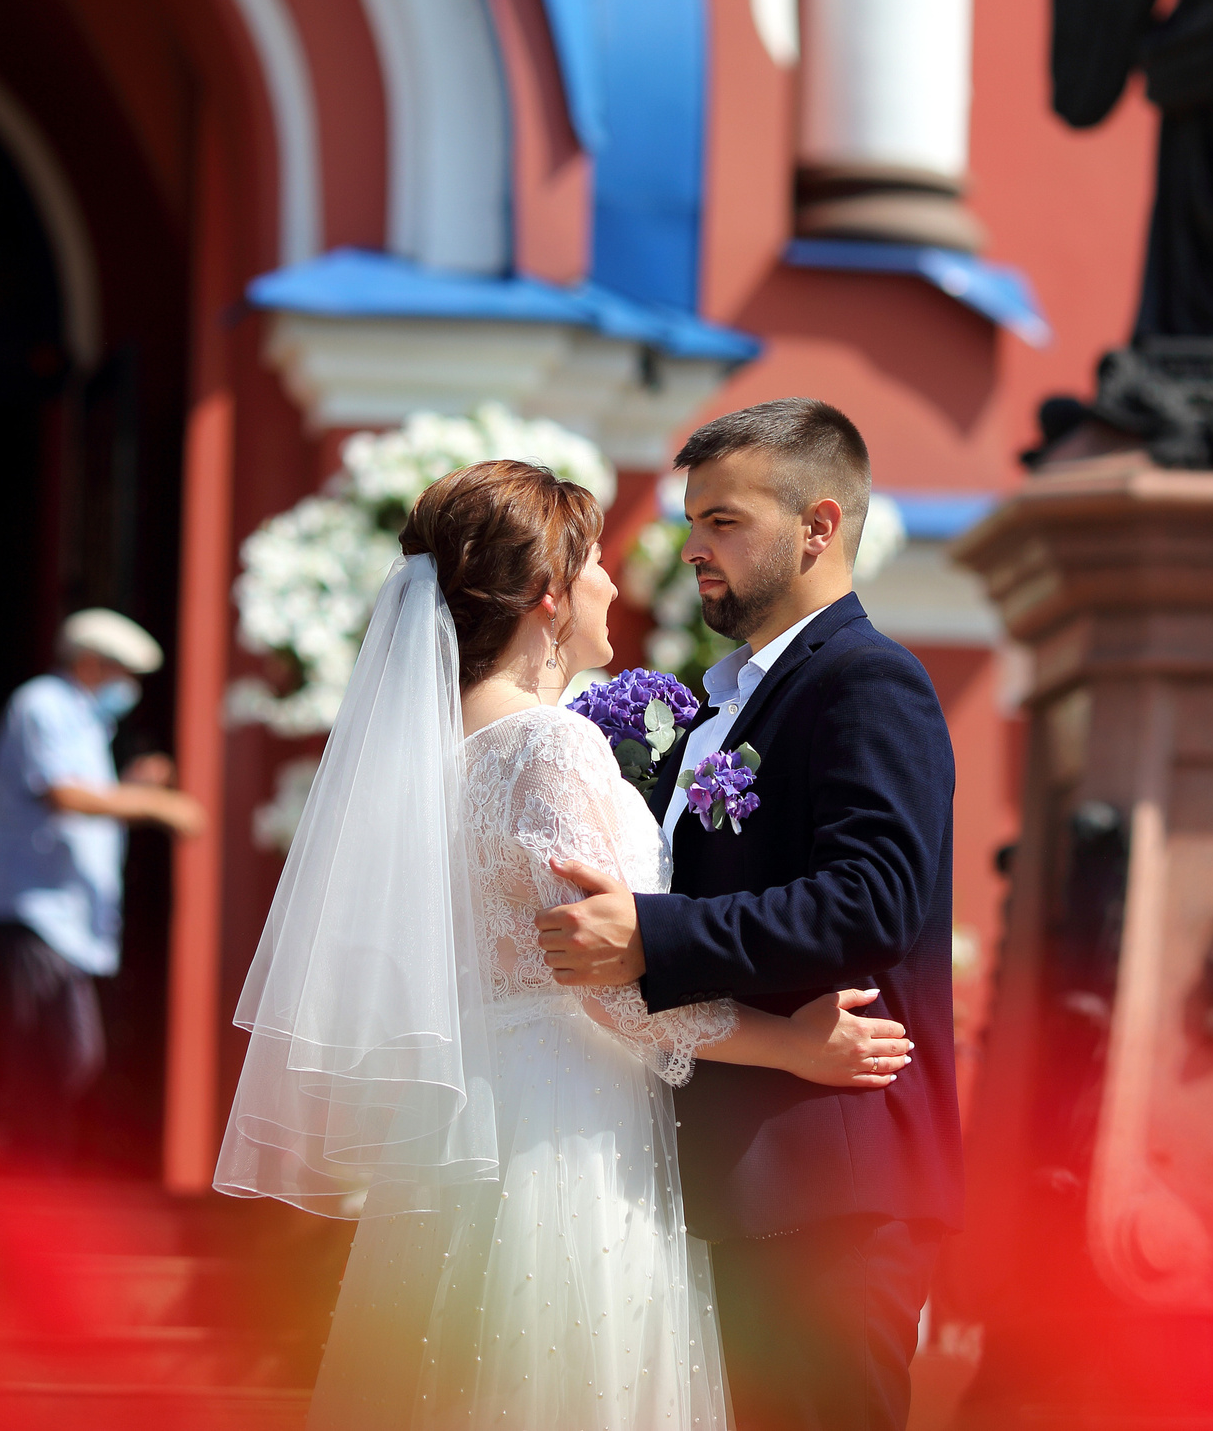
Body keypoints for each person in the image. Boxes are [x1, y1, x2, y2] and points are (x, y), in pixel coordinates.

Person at [214, 459, 915, 1431]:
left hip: (469, 1138)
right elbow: (606, 981)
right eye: (593, 565)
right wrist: (791, 1044)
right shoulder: (548, 745)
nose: (613, 585)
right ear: (548, 597)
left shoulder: (436, 753)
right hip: (566, 1137)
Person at [536, 400, 962, 1431]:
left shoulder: (867, 681)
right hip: (746, 1175)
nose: (694, 549)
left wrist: (653, 935)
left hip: (833, 1178)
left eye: (724, 521)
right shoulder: (725, 704)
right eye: (693, 522)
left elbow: (874, 901)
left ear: (818, 528)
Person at [0, 608, 203, 1169]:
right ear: (89, 663)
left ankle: (9, 1168)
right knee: (46, 1055)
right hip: (30, 909)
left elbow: (86, 795)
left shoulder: (87, 723)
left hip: (61, 920)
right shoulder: (43, 704)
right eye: (123, 673)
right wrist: (154, 804)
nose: (130, 689)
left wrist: (131, 789)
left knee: (63, 1057)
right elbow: (64, 794)